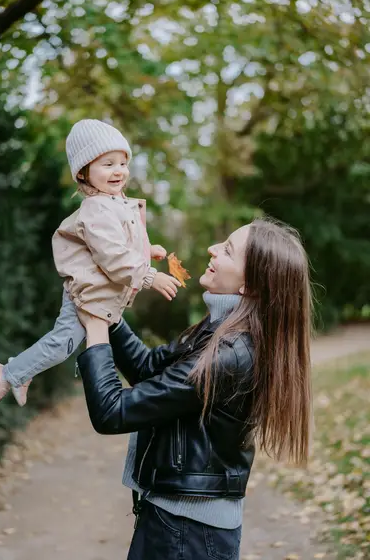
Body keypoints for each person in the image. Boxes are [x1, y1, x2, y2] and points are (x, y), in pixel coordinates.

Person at [75, 218, 313, 560]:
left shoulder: (229, 354)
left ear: (250, 285)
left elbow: (113, 412)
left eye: (227, 250)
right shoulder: (217, 332)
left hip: (188, 534)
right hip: (177, 522)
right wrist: (108, 310)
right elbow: (148, 369)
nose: (212, 250)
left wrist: (95, 328)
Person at [0, 119, 180, 418]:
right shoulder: (96, 208)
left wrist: (149, 250)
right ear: (84, 171)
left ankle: (22, 370)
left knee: (63, 346)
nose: (119, 171)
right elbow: (112, 256)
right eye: (107, 164)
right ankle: (4, 376)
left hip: (102, 294)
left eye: (123, 163)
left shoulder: (115, 202)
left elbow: (118, 244)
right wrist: (150, 275)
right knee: (61, 345)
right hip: (86, 293)